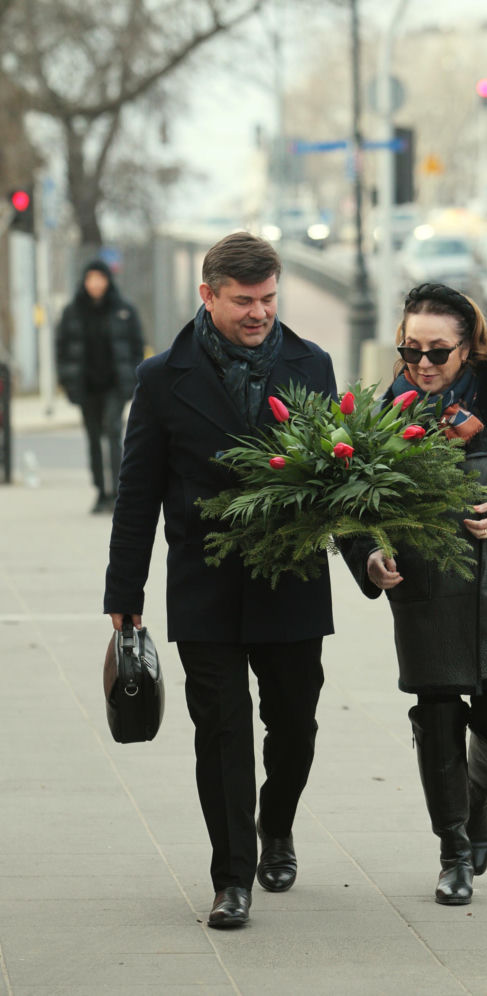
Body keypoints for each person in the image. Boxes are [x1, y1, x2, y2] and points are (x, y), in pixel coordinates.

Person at [103, 232, 337, 929]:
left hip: (292, 583)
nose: (260, 312)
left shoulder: (311, 366)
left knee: (293, 723)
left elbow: (339, 480)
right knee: (223, 732)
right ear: (208, 296)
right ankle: (231, 877)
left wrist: (370, 558)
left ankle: (280, 826)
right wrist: (124, 594)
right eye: (244, 301)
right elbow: (137, 493)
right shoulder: (161, 377)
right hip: (204, 585)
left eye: (269, 298)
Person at [344, 282, 487, 907]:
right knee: (438, 719)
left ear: (468, 345)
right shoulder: (383, 408)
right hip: (423, 592)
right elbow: (348, 502)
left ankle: (474, 807)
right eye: (410, 349)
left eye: (437, 351)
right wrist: (369, 554)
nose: (422, 364)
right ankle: (453, 854)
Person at [56, 259, 144, 513]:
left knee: (114, 432)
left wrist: (134, 378)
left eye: (100, 278)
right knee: (94, 438)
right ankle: (100, 490)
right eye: (90, 279)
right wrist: (66, 380)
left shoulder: (124, 309)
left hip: (115, 385)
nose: (95, 284)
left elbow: (137, 345)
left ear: (108, 281)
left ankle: (117, 491)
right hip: (86, 386)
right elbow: (61, 349)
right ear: (84, 282)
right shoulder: (72, 311)